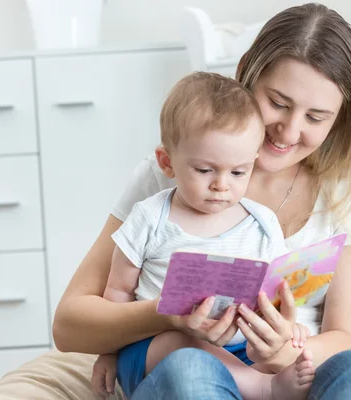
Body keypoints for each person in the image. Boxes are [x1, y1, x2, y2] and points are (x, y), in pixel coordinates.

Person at [52, 3, 351, 399]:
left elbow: (347, 336)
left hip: (289, 377)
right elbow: (70, 325)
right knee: (191, 367)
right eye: (278, 102)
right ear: (246, 71)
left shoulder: (345, 193)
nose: (288, 130)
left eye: (315, 117)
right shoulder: (172, 174)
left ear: (339, 118)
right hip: (182, 364)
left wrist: (286, 352)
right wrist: (167, 315)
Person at [90, 71, 315, 400]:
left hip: (238, 351)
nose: (221, 185)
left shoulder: (262, 223)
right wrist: (107, 351)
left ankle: (252, 381)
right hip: (155, 349)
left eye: (238, 172)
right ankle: (265, 390)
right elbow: (118, 292)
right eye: (205, 170)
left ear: (253, 163)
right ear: (167, 162)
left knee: (255, 349)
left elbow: (276, 292)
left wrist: (287, 325)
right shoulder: (149, 217)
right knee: (184, 343)